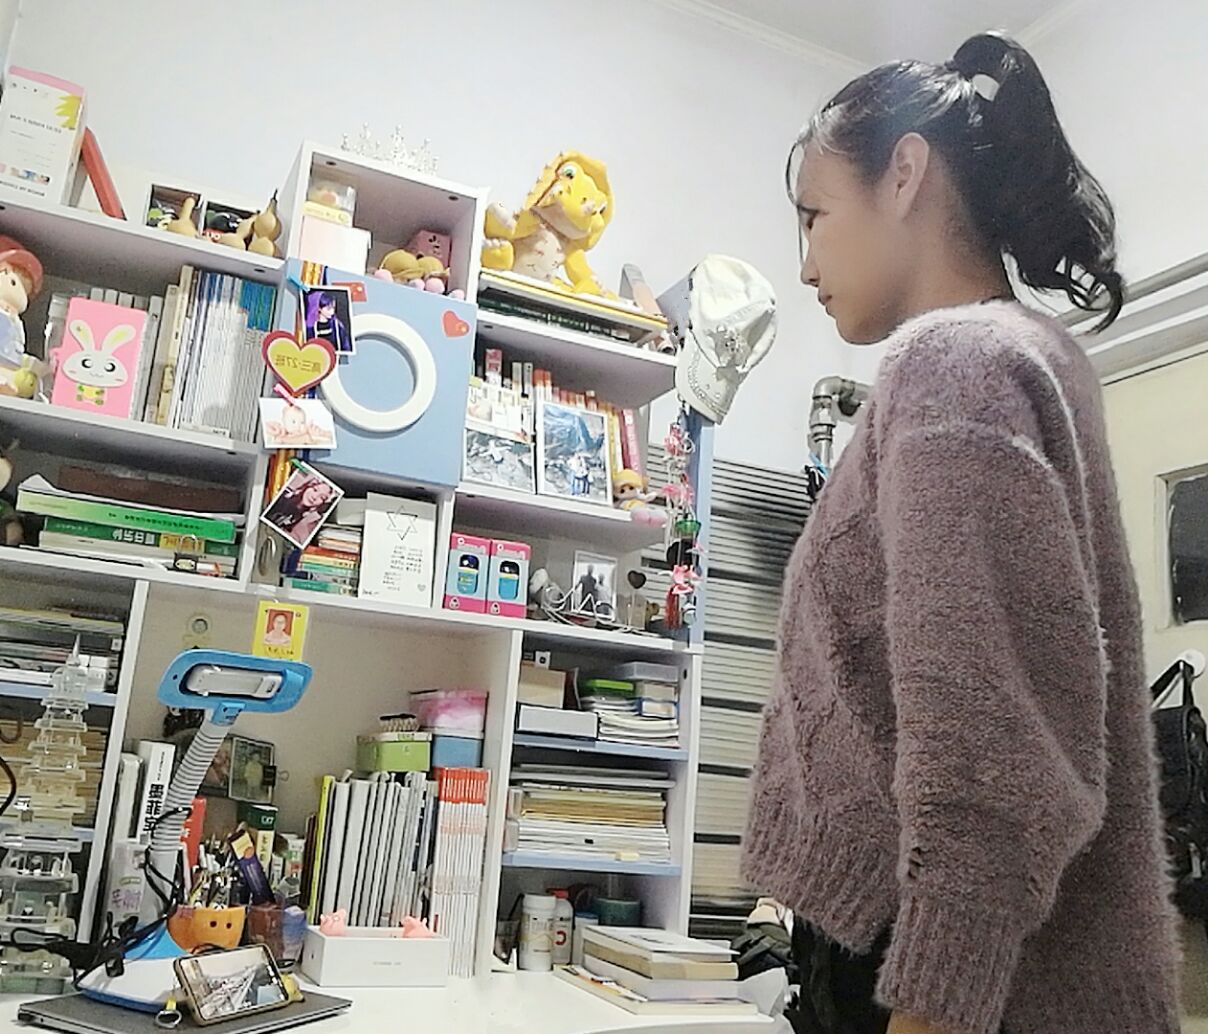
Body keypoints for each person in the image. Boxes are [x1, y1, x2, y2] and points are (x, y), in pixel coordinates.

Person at [741, 32, 1179, 1034]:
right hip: (984, 966)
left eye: (814, 216)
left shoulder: (953, 366)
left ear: (904, 173)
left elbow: (990, 744)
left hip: (941, 985)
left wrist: (934, 997)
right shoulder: (1029, 355)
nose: (804, 264)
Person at [265, 473, 336, 548]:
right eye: (315, 490)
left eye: (322, 498)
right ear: (307, 486)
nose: (315, 497)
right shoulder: (282, 498)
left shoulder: (306, 521)